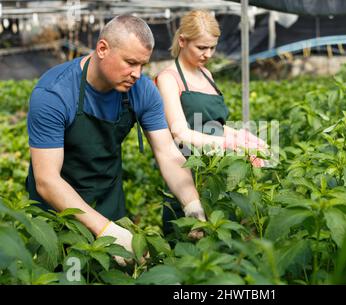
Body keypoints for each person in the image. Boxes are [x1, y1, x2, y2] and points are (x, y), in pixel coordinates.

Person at [25, 15, 206, 266]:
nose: (137, 74)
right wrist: (107, 232)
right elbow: (47, 180)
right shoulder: (54, 94)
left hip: (108, 201)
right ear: (102, 49)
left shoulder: (142, 90)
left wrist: (192, 204)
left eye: (143, 65)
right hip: (56, 215)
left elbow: (167, 152)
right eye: (130, 62)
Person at [155, 10, 267, 235]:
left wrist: (242, 137)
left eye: (212, 47)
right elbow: (180, 133)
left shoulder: (206, 74)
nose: (208, 54)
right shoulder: (168, 78)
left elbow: (214, 124)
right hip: (188, 174)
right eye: (201, 48)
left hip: (217, 175)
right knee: (187, 250)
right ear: (182, 41)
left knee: (222, 241)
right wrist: (230, 146)